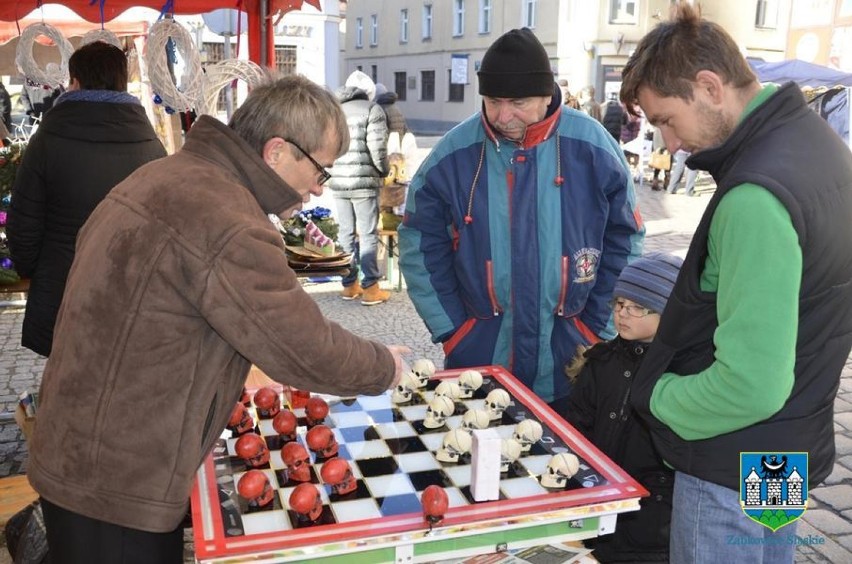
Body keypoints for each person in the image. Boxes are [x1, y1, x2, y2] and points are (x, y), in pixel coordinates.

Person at [26, 74, 408, 562]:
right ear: (276, 153)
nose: (317, 191)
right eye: (319, 171)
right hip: (118, 481)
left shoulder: (169, 174)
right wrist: (384, 367)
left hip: (86, 453)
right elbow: (301, 346)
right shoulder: (226, 218)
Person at [620, 3, 852, 563]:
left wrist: (656, 397)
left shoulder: (756, 196)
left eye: (666, 120)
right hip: (785, 448)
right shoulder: (821, 147)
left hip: (730, 459)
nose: (668, 144)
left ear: (709, 86)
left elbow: (750, 385)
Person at [399, 27, 644, 412]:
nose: (502, 115)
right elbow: (418, 243)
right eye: (493, 101)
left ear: (547, 95)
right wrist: (455, 330)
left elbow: (626, 241)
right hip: (479, 358)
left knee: (562, 466)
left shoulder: (593, 146)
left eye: (517, 102)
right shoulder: (452, 154)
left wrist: (596, 327)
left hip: (571, 358)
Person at [7, 41, 167, 358]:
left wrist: (38, 273)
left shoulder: (47, 140)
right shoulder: (153, 147)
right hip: (132, 295)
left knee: (68, 392)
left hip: (65, 292)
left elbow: (22, 226)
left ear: (75, 81)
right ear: (123, 82)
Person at [564, 252, 682, 563]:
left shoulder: (681, 374)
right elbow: (577, 427)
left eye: (638, 307)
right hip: (595, 502)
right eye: (619, 305)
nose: (623, 315)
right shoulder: (599, 362)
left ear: (667, 313)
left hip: (651, 517)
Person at [328, 70, 391, 305]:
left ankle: (348, 285)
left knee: (345, 232)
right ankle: (371, 288)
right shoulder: (372, 110)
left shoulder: (335, 111)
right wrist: (384, 171)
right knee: (367, 233)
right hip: (363, 182)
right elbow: (378, 148)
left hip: (339, 181)